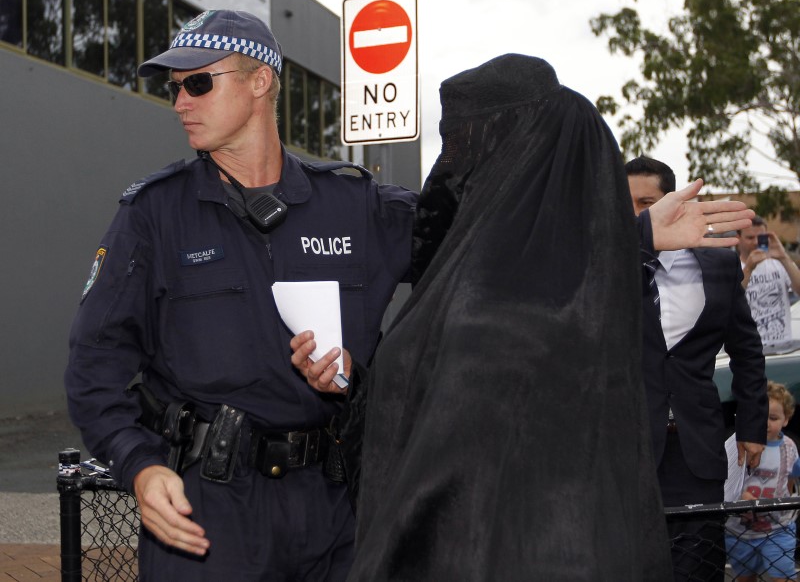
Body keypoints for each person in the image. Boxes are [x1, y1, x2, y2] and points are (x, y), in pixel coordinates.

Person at [292, 55, 758, 581]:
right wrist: (352, 382)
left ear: (516, 151)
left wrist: (631, 236)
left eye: (469, 140)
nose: (454, 160)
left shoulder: (507, 306)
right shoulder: (491, 276)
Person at [62, 9, 417, 581]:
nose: (180, 102)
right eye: (175, 88)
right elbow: (93, 366)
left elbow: (472, 245)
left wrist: (362, 379)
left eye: (199, 83)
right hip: (209, 514)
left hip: (336, 514)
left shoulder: (357, 206)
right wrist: (139, 467)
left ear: (260, 82)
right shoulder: (153, 214)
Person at [626, 155, 768, 582]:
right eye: (628, 205)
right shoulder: (604, 269)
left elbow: (746, 349)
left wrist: (751, 426)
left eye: (647, 203)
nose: (639, 216)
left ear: (672, 202)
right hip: (625, 449)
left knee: (698, 568)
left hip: (697, 448)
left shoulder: (720, 265)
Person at [725, 381, 799, 582]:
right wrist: (741, 496)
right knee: (745, 577)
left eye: (773, 418)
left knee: (782, 575)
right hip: (740, 532)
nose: (766, 423)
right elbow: (726, 479)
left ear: (786, 419)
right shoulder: (739, 444)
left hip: (778, 529)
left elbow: (792, 477)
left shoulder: (789, 447)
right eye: (760, 416)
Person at [738, 216, 800, 349]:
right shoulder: (733, 266)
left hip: (782, 346)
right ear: (738, 239)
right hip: (749, 350)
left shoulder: (778, 262)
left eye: (760, 238)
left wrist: (784, 257)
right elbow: (730, 302)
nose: (755, 242)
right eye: (750, 238)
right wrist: (748, 269)